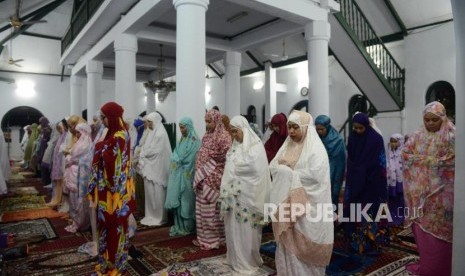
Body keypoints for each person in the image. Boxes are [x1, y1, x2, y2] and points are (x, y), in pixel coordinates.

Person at [269, 110, 333, 275]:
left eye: (295, 127)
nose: (290, 132)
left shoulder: (316, 150)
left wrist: (290, 172)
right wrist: (284, 171)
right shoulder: (287, 145)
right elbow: (273, 166)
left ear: (305, 127)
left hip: (309, 208)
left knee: (305, 250)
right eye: (289, 127)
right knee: (288, 245)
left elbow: (316, 176)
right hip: (287, 205)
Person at [402, 101, 455, 276]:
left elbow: (454, 160)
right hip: (420, 195)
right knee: (424, 235)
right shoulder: (418, 134)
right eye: (427, 120)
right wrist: (430, 161)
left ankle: (445, 269)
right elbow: (405, 154)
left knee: (442, 234)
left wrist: (428, 161)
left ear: (443, 117)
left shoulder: (452, 135)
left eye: (434, 120)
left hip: (443, 198)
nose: (430, 123)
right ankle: (428, 268)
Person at [88, 102, 135, 275]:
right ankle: (108, 261)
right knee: (107, 227)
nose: (102, 121)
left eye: (104, 118)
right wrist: (101, 147)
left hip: (114, 192)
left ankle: (115, 265)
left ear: (113, 117)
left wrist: (99, 147)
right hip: (107, 192)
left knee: (115, 227)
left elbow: (111, 162)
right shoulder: (113, 134)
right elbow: (105, 152)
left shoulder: (120, 136)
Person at [220, 116, 271, 274]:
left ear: (244, 129)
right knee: (232, 228)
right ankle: (234, 258)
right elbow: (230, 165)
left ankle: (247, 261)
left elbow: (255, 169)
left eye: (236, 131)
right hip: (233, 195)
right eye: (232, 132)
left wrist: (235, 168)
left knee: (246, 229)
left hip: (249, 196)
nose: (234, 135)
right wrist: (234, 168)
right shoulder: (234, 146)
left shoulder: (255, 147)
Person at [344, 112, 388, 254]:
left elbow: (380, 164)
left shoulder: (376, 140)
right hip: (354, 180)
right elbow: (350, 158)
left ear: (366, 126)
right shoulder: (352, 138)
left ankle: (369, 243)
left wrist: (364, 173)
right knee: (353, 211)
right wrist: (355, 173)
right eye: (355, 128)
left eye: (360, 128)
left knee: (368, 212)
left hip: (371, 183)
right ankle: (354, 242)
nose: (357, 131)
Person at [193, 109, 231, 250]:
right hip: (202, 177)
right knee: (201, 209)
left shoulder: (224, 136)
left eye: (209, 122)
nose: (207, 125)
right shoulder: (207, 135)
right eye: (206, 122)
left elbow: (228, 157)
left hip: (213, 177)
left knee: (211, 209)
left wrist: (211, 168)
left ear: (216, 121)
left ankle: (215, 239)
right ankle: (203, 238)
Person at [164, 117, 200, 236]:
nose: (181, 129)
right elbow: (176, 153)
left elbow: (190, 158)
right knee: (179, 201)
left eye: (183, 127)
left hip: (187, 176)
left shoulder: (194, 141)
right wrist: (176, 158)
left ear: (188, 127)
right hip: (179, 175)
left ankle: (188, 227)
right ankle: (179, 225)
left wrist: (177, 159)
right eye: (180, 127)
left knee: (187, 200)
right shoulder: (182, 139)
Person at [139, 112, 171, 226]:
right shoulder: (152, 132)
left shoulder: (160, 134)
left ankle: (160, 217)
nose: (148, 124)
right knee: (150, 194)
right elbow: (145, 147)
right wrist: (143, 153)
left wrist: (144, 154)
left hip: (158, 169)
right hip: (150, 167)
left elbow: (156, 151)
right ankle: (151, 215)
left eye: (150, 122)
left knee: (157, 193)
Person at [315, 115, 346, 206]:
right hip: (320, 169)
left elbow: (339, 161)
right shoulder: (316, 138)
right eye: (318, 129)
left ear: (327, 127)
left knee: (333, 192)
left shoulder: (338, 140)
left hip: (335, 170)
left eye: (322, 129)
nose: (319, 132)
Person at [47, 120, 68, 206]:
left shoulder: (66, 135)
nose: (60, 130)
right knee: (57, 183)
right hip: (58, 163)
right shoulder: (62, 136)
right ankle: (57, 199)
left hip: (64, 163)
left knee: (62, 183)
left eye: (60, 128)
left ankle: (59, 200)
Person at [386, 133, 405, 226]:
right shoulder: (389, 152)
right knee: (392, 199)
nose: (393, 144)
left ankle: (401, 217)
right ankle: (392, 217)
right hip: (391, 181)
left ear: (400, 142)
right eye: (391, 142)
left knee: (401, 199)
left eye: (395, 142)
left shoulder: (404, 152)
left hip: (401, 180)